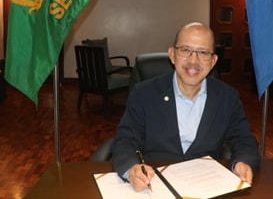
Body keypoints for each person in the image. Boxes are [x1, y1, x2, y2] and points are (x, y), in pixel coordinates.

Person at [111, 22, 260, 191]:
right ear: (172, 55)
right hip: (155, 185)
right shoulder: (144, 94)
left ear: (213, 61)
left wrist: (243, 162)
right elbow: (125, 140)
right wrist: (131, 169)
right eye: (185, 50)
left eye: (203, 52)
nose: (193, 60)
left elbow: (244, 139)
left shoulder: (227, 97)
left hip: (207, 187)